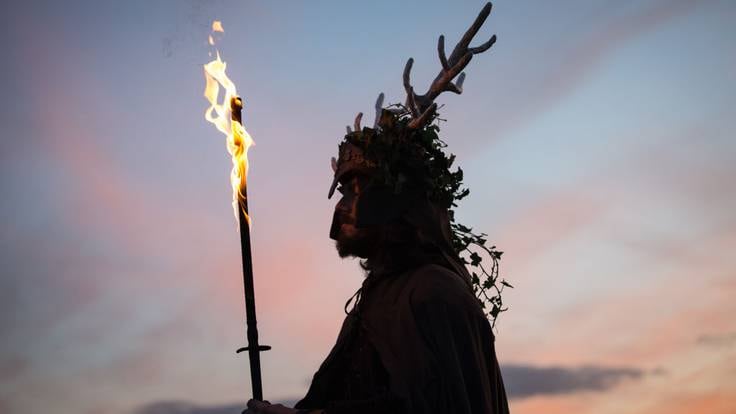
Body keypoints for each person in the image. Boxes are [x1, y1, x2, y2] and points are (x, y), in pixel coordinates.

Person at [245, 3, 510, 412]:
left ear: (397, 202)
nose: (344, 207)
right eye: (344, 190)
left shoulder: (433, 293)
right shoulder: (381, 295)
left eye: (357, 189)